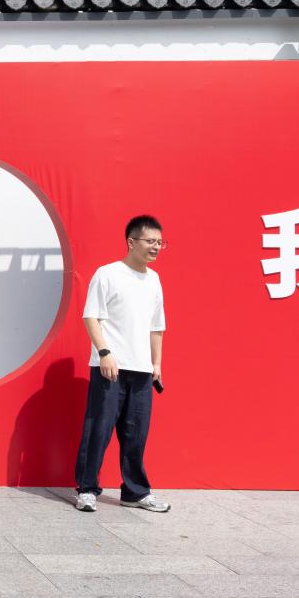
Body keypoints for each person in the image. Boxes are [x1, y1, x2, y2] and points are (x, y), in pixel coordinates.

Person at [74, 214, 170, 514]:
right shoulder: (108, 274)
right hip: (110, 367)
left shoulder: (154, 280)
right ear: (131, 242)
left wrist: (156, 364)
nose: (156, 247)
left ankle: (135, 492)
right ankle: (87, 489)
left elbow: (157, 327)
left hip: (142, 370)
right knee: (99, 430)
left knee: (136, 435)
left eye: (160, 242)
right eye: (150, 241)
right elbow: (91, 316)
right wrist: (104, 353)